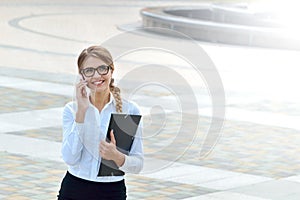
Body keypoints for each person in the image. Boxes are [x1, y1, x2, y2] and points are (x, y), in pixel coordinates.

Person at [57, 45, 143, 200]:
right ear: (82, 76)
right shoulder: (72, 110)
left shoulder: (130, 111)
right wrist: (81, 113)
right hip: (74, 189)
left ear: (111, 70)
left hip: (111, 192)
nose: (97, 76)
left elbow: (138, 164)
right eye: (89, 71)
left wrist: (116, 156)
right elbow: (70, 158)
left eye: (102, 68)